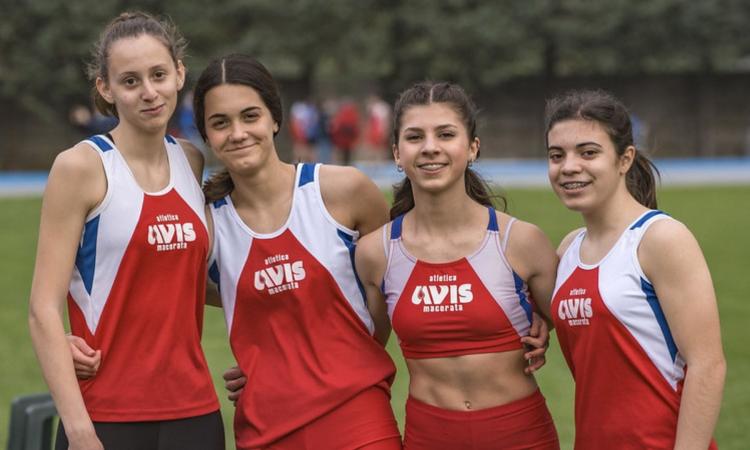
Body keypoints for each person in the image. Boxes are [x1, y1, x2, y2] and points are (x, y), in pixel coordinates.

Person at [28, 11, 223, 450]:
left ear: (179, 74)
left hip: (195, 413)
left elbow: (200, 283)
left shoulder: (191, 160)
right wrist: (79, 431)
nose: (149, 92)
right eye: (131, 81)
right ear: (106, 89)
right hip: (104, 418)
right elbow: (42, 308)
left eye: (158, 75)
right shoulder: (82, 166)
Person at [195, 53, 402, 449]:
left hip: (359, 418)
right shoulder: (207, 226)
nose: (237, 133)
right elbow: (160, 288)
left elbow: (399, 283)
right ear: (206, 135)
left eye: (250, 116)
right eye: (220, 123)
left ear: (275, 119)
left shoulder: (344, 192)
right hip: (265, 428)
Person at [354, 81, 560, 450]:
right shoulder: (376, 253)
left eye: (446, 134)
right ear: (397, 153)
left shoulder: (521, 243)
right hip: (429, 436)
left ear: (472, 148)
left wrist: (545, 321)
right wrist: (269, 369)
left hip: (521, 435)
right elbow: (356, 350)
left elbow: (587, 328)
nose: (430, 147)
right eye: (415, 137)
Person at [545, 89, 725, 449]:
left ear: (624, 158)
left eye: (588, 152)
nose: (569, 167)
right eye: (556, 155)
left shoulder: (660, 239)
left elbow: (707, 364)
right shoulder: (567, 249)